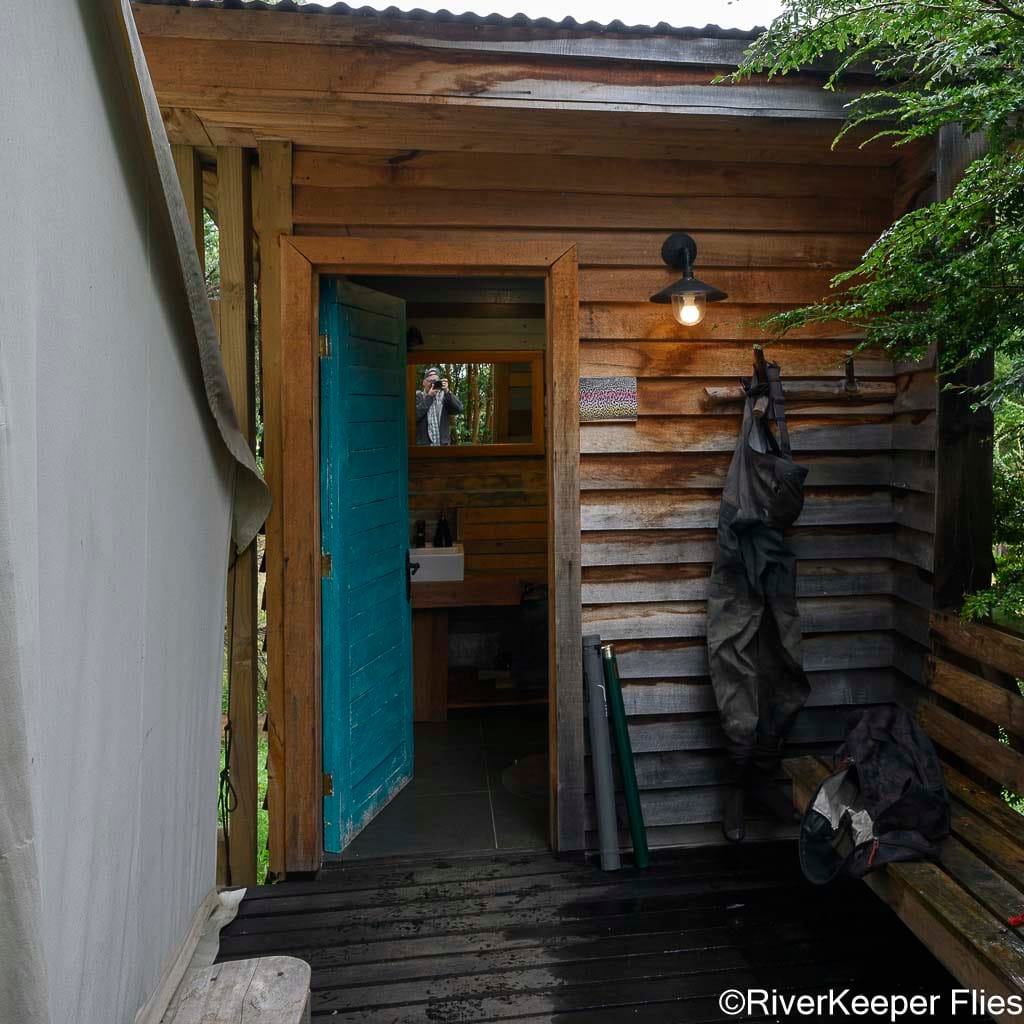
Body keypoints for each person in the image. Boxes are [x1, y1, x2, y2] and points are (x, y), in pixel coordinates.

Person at [415, 367, 463, 445]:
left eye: (435, 381)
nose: (433, 384)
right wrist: (429, 397)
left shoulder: (444, 397)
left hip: (442, 448)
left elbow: (459, 409)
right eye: (430, 381)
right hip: (423, 449)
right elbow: (414, 416)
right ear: (423, 382)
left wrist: (447, 391)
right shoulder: (418, 396)